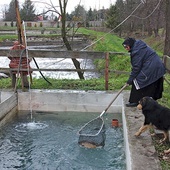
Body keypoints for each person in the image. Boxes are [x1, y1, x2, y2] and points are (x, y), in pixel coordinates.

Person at [122, 37, 166, 107]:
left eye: (126, 46)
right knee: (149, 81)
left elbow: (136, 68)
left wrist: (130, 80)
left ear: (130, 45)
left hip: (153, 67)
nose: (126, 48)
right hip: (157, 66)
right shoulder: (139, 46)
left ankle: (135, 101)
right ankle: (150, 99)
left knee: (137, 80)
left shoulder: (136, 51)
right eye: (124, 47)